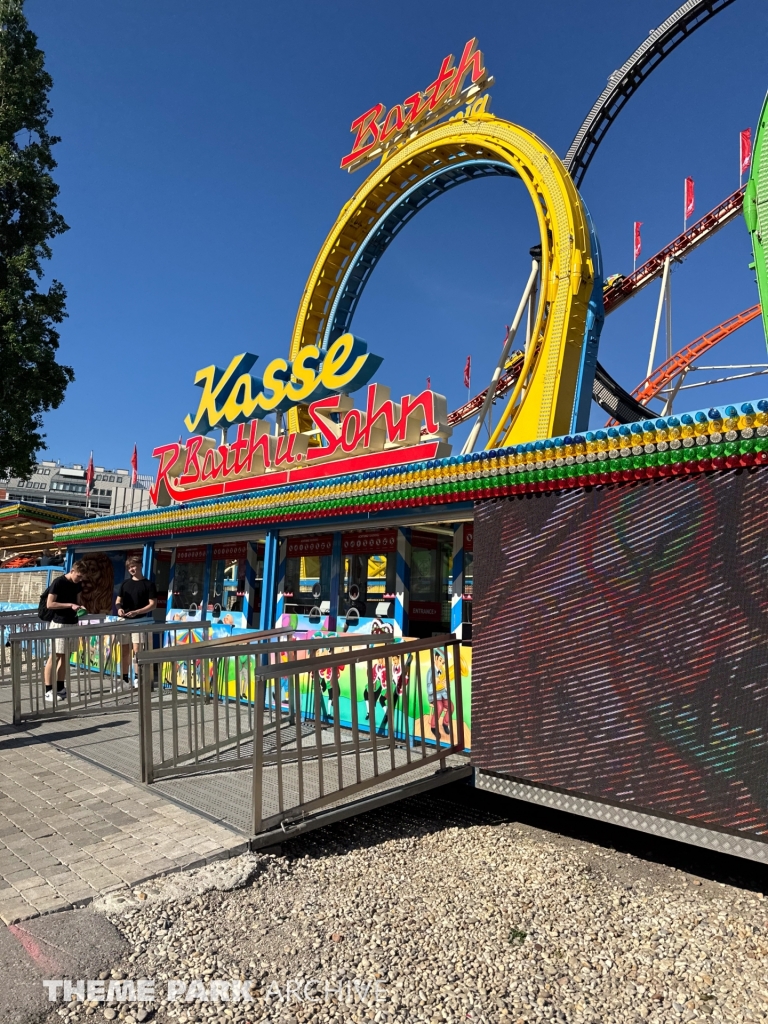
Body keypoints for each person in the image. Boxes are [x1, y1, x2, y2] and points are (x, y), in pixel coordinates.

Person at [44, 562, 87, 702]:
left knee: (65, 657)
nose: (79, 580)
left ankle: (60, 688)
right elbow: (50, 604)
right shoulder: (59, 582)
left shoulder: (78, 584)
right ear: (72, 571)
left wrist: (81, 607)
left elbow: (78, 601)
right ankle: (48, 689)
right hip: (59, 622)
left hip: (72, 622)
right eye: (78, 576)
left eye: (82, 578)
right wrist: (70, 605)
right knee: (54, 656)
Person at [115, 555, 157, 687]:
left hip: (140, 621)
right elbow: (118, 601)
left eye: (133, 566)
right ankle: (124, 678)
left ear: (140, 566)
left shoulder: (149, 584)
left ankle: (138, 678)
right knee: (124, 651)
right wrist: (119, 609)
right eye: (129, 567)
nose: (131, 569)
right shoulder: (125, 584)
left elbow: (153, 604)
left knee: (138, 651)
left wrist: (137, 612)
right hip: (124, 620)